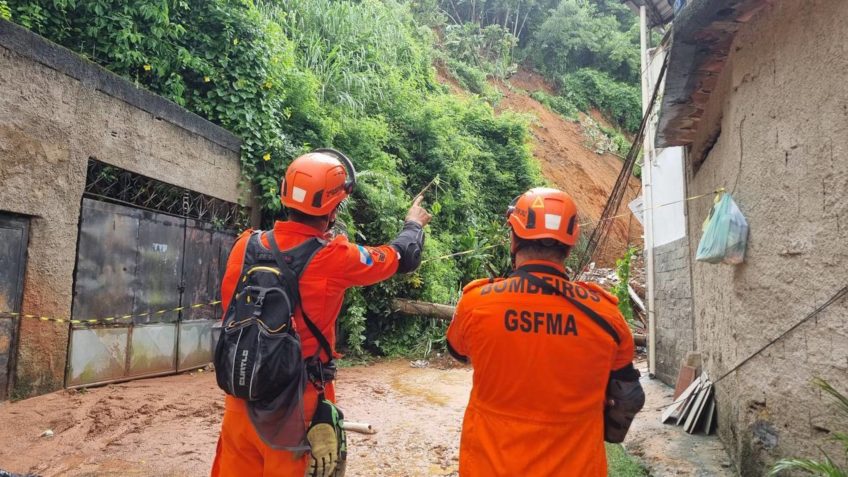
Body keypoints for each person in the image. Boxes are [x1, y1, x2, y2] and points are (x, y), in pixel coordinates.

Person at [211, 149, 431, 477]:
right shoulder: (334, 257)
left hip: (241, 399)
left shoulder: (246, 245)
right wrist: (413, 225)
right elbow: (401, 256)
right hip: (297, 409)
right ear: (333, 208)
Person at [446, 187, 644, 476]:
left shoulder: (477, 303)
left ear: (514, 239)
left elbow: (458, 350)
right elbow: (629, 396)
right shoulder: (606, 314)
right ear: (570, 245)